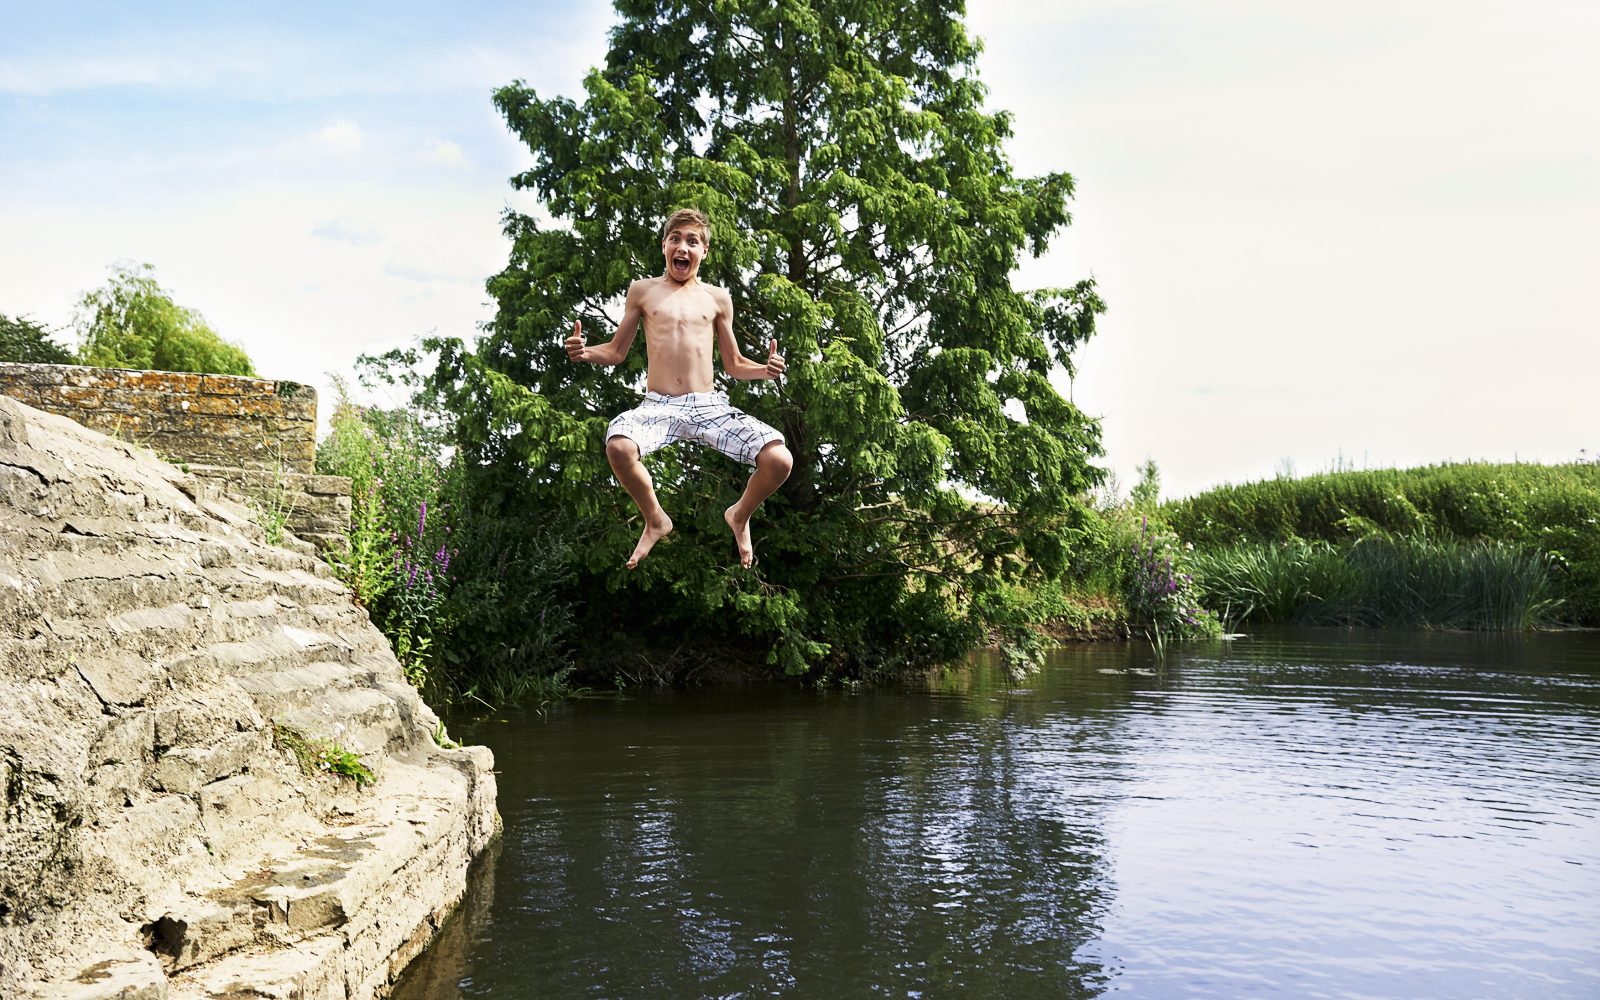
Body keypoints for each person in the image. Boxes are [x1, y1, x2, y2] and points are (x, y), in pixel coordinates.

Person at [565, 208, 793, 569]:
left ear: (704, 251)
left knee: (779, 459)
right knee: (620, 446)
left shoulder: (718, 298)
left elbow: (733, 364)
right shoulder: (643, 291)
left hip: (708, 406)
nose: (682, 247)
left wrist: (765, 370)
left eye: (692, 241)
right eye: (676, 239)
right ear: (664, 246)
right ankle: (655, 518)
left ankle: (739, 515)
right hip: (658, 406)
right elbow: (616, 351)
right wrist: (585, 352)